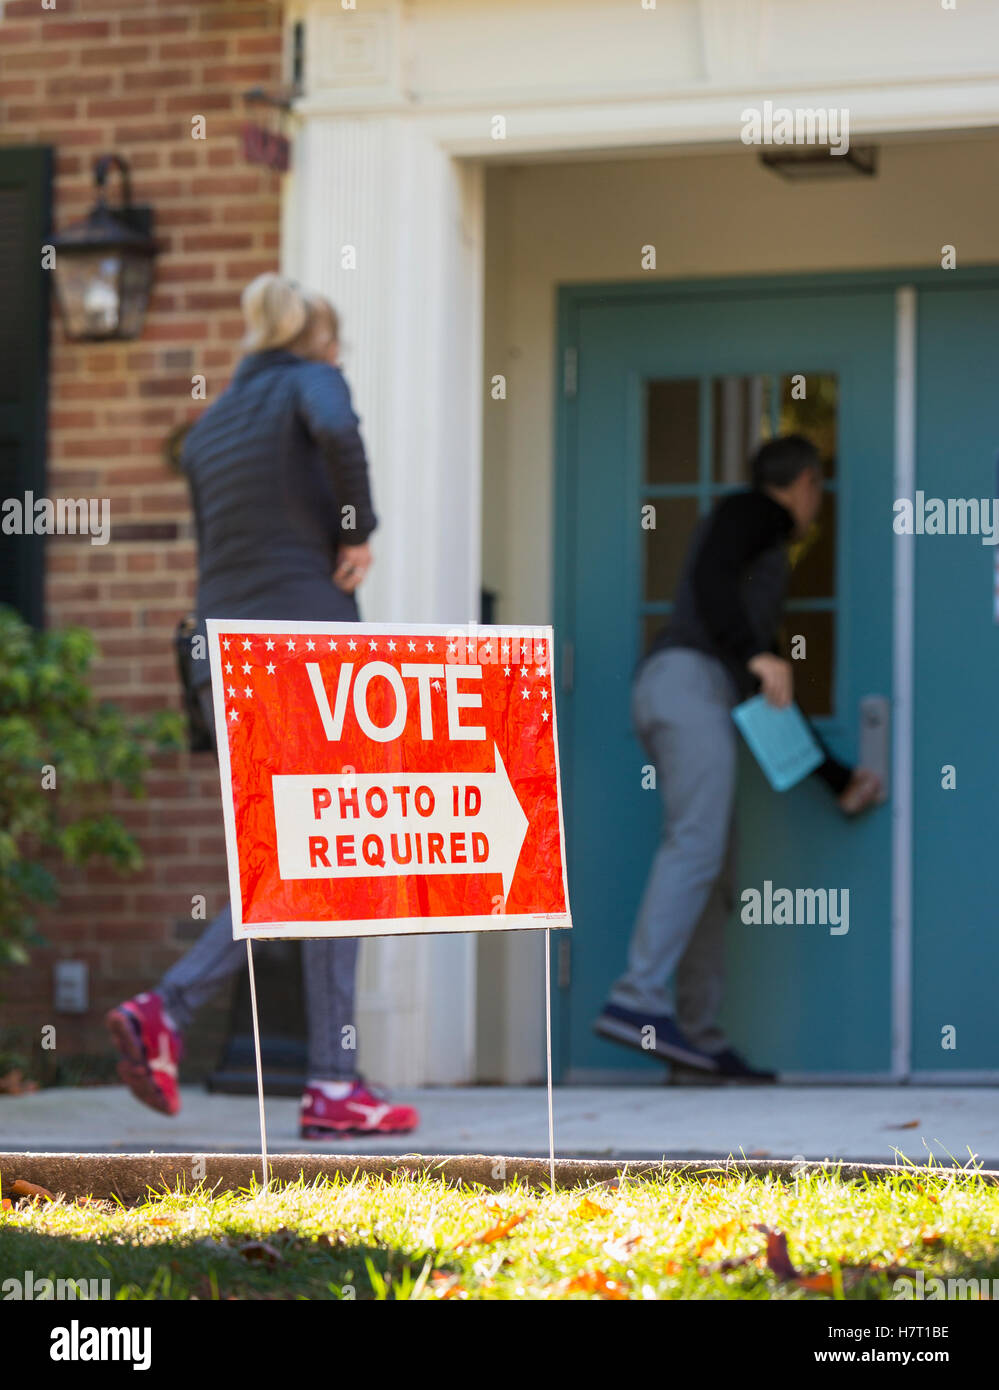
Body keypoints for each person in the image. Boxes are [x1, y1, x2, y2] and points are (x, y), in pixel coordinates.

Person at [106, 274, 418, 1138]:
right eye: (339, 346)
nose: (340, 360)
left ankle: (331, 1084)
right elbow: (341, 430)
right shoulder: (309, 379)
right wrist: (357, 528)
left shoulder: (213, 426)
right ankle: (174, 1007)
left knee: (310, 852)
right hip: (303, 649)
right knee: (330, 847)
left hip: (223, 654)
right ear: (321, 340)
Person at [593, 434, 881, 1083]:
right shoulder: (751, 514)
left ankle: (696, 1043)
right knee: (695, 844)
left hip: (694, 689)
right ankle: (635, 998)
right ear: (804, 482)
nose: (817, 507)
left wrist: (836, 779)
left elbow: (768, 696)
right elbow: (712, 577)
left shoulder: (754, 584)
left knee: (713, 866)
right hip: (685, 684)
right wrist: (753, 655)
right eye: (817, 492)